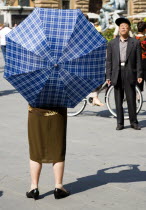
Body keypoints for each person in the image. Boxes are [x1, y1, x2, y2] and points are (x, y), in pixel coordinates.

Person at [106, 17, 143, 130]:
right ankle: (120, 123)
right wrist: (108, 76)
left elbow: (138, 60)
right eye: (122, 27)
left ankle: (134, 122)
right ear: (119, 29)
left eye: (126, 27)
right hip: (117, 73)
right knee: (118, 100)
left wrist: (139, 75)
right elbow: (109, 61)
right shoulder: (112, 43)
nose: (124, 28)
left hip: (129, 72)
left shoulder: (135, 42)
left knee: (131, 99)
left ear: (129, 29)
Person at [26, 105, 70, 200]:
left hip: (36, 113)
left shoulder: (35, 89)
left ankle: (34, 187)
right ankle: (58, 187)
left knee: (35, 151)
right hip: (57, 113)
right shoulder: (61, 89)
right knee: (58, 150)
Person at [135, 21, 146, 92]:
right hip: (145, 59)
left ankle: (138, 95)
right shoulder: (145, 38)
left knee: (139, 76)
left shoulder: (134, 39)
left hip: (136, 60)